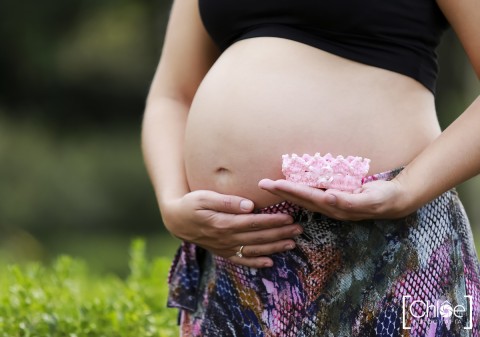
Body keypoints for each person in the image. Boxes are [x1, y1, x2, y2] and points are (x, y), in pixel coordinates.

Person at [142, 0, 480, 335]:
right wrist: (171, 203)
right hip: (235, 261)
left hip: (384, 248)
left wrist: (406, 190)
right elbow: (172, 95)